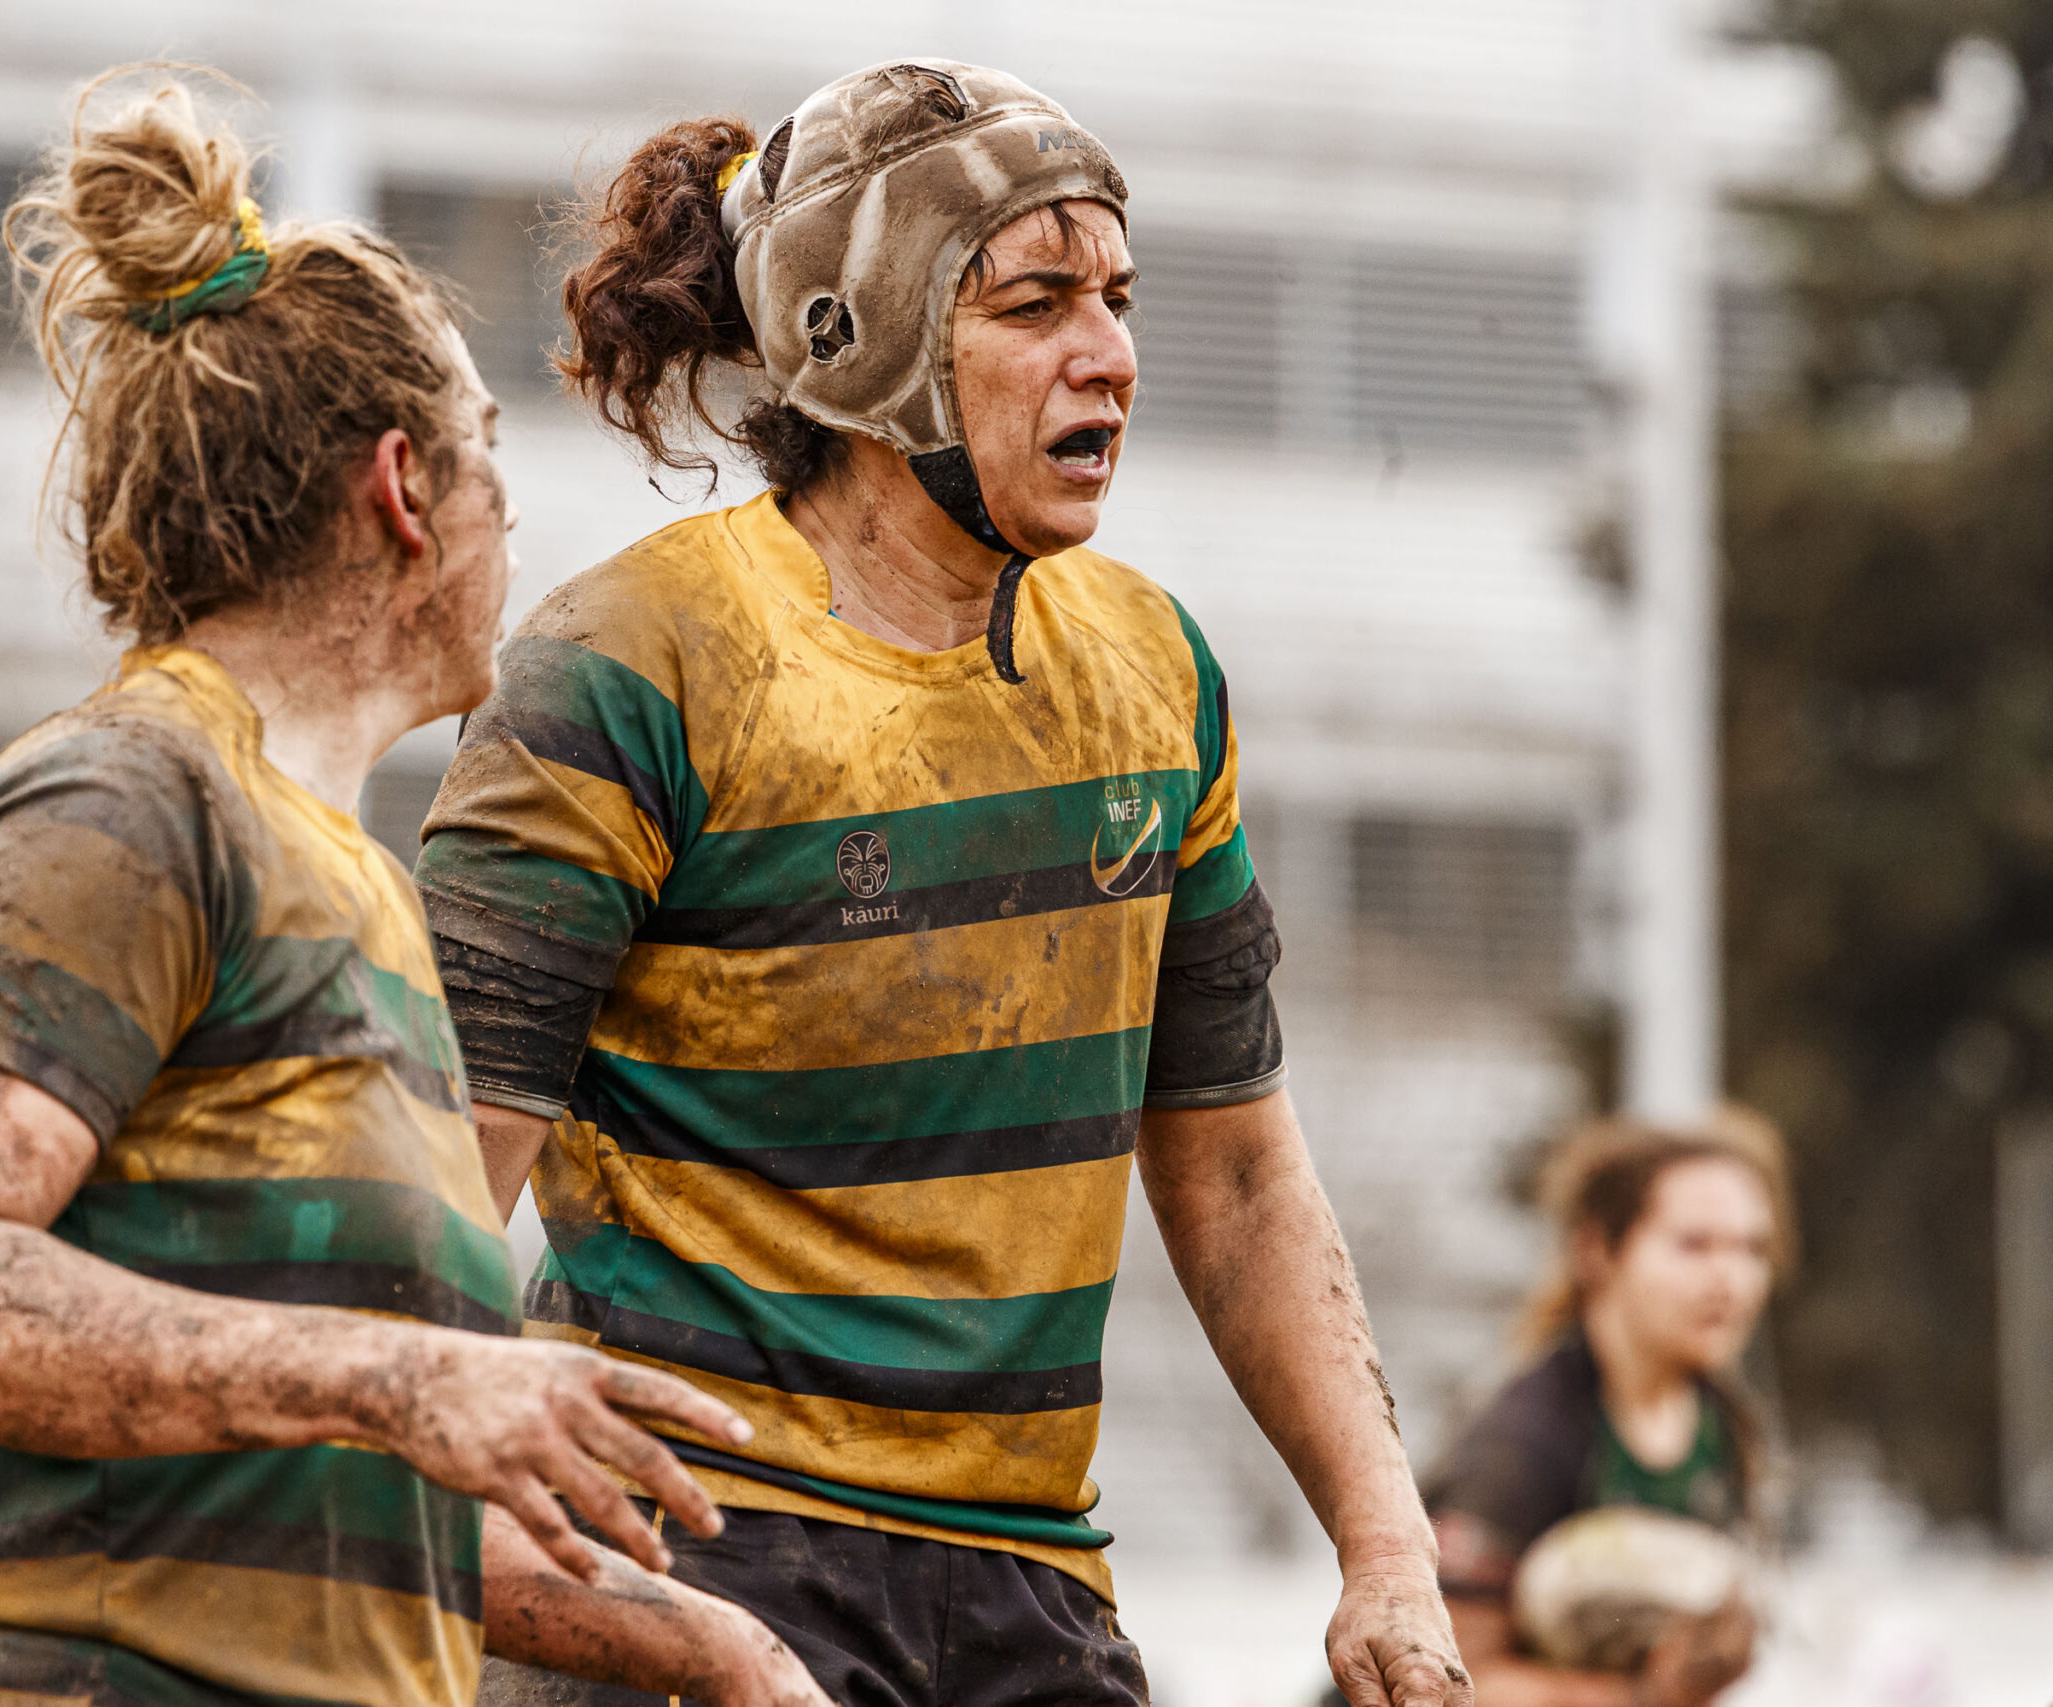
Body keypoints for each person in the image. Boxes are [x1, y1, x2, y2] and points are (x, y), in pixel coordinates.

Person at [412, 58, 1472, 1707]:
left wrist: (1387, 1545)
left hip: (1025, 1574)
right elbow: (422, 1205)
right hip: (676, 1555)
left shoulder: (1155, 671)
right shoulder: (630, 665)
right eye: (1035, 304)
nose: (1108, 352)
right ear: (860, 339)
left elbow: (1239, 1170)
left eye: (1118, 297)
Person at [0, 71, 832, 1707]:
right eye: (491, 452)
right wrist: (397, 1375)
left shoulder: (357, 896)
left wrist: (716, 1644)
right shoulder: (126, 797)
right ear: (405, 488)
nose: (516, 512)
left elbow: (364, 1480)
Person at [1419, 1112, 1790, 1707]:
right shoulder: (1519, 1445)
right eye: (1695, 1245)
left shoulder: (1726, 1425)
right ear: (1596, 1249)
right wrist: (1640, 1697)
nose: (1731, 1279)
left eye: (1752, 1248)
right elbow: (1439, 1689)